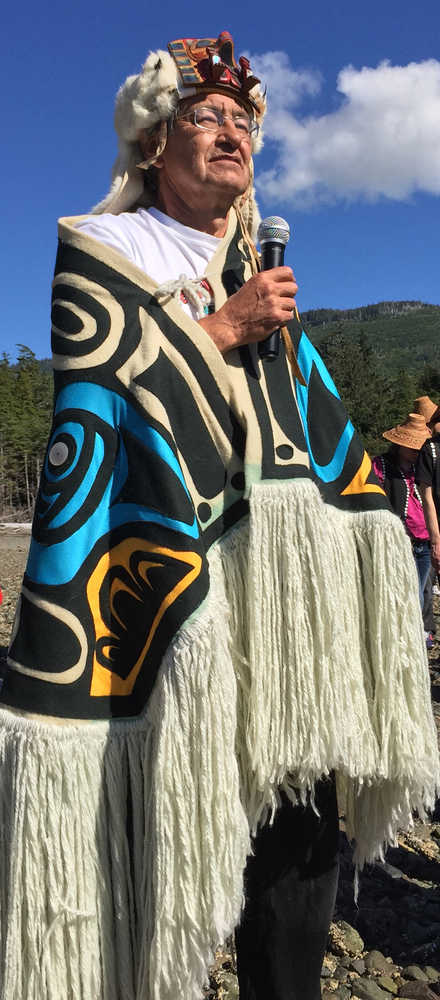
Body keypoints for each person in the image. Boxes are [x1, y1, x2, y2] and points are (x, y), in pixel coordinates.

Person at [0, 32, 438, 1000]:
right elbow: (95, 399)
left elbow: (310, 425)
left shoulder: (257, 262)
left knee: (298, 822)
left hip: (278, 606)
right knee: (180, 826)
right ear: (156, 141)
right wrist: (222, 327)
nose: (232, 133)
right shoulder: (102, 251)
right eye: (207, 116)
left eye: (243, 120)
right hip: (170, 591)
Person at [372, 412, 432, 613]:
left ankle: (419, 630)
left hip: (424, 541)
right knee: (406, 595)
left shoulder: (424, 468)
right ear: (400, 444)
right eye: (412, 445)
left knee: (420, 594)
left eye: (419, 446)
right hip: (399, 540)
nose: (416, 450)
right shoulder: (380, 465)